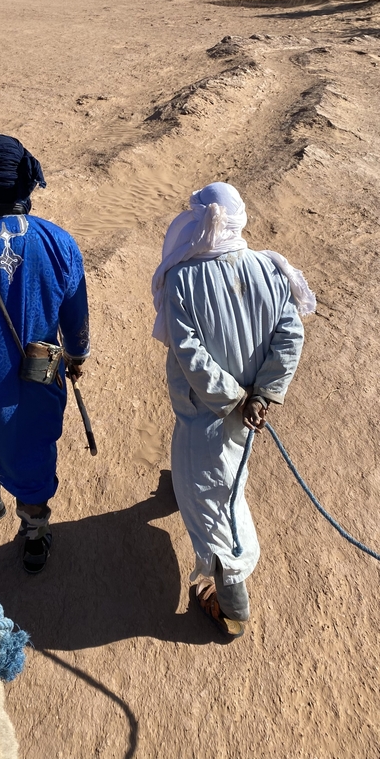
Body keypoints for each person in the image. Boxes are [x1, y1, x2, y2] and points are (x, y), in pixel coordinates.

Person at [152, 182, 315, 638]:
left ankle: (232, 605)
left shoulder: (183, 278)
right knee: (228, 470)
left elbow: (190, 353)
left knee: (213, 507)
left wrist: (235, 398)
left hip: (207, 413)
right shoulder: (271, 268)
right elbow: (290, 337)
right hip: (247, 410)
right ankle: (179, 487)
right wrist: (261, 395)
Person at [0, 134, 90, 574]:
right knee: (31, 449)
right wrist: (78, 354)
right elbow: (75, 316)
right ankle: (34, 532)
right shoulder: (57, 241)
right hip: (34, 381)